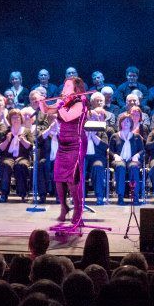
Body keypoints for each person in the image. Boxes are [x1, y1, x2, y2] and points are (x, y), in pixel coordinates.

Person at [38, 77, 89, 225]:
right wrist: (42, 103)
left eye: (67, 86)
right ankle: (64, 207)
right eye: (64, 85)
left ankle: (78, 210)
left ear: (76, 89)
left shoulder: (80, 101)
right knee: (58, 177)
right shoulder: (64, 101)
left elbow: (67, 117)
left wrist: (60, 104)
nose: (64, 88)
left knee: (73, 179)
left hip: (76, 142)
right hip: (63, 143)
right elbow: (47, 111)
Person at [0, 109, 33, 202]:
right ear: (10, 120)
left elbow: (30, 147)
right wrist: (7, 140)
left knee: (20, 165)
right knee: (6, 165)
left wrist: (23, 140)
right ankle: (4, 194)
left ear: (21, 119)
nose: (16, 119)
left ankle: (23, 193)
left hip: (22, 157)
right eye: (13, 118)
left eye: (17, 117)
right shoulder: (6, 132)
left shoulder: (27, 131)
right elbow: (0, 149)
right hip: (8, 157)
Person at [110, 113, 145, 206]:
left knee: (133, 167)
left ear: (131, 123)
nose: (126, 123)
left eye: (128, 121)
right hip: (119, 159)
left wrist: (137, 155)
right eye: (124, 121)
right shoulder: (114, 136)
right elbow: (110, 150)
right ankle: (120, 196)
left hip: (132, 159)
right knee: (121, 167)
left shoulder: (137, 136)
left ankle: (135, 197)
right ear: (120, 123)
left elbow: (142, 150)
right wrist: (115, 155)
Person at [84, 107, 110, 205]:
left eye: (94, 118)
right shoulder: (81, 130)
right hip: (84, 156)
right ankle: (78, 196)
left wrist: (93, 136)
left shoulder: (102, 131)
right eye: (89, 118)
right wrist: (86, 135)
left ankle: (99, 196)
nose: (91, 120)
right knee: (79, 167)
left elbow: (105, 146)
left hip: (97, 158)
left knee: (98, 167)